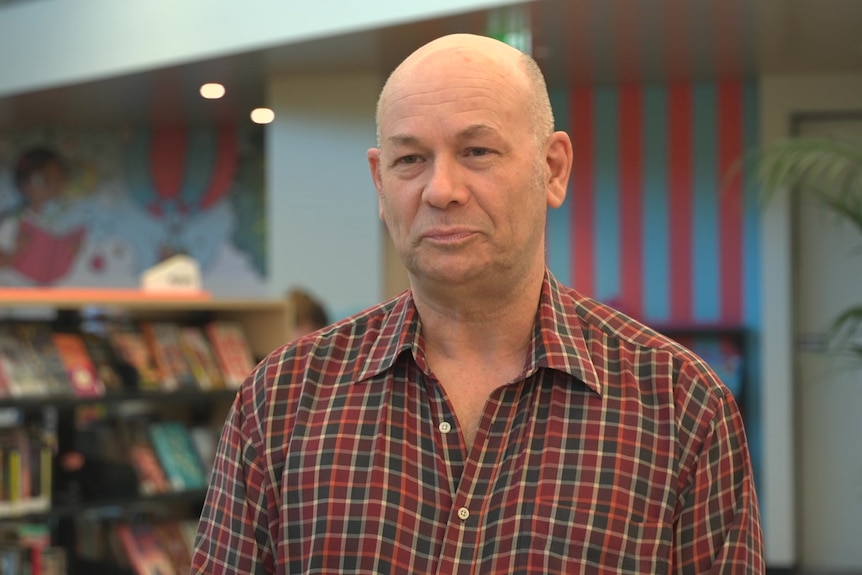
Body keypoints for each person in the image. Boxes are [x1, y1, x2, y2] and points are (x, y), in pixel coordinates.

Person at [191, 33, 764, 574]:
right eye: (410, 159)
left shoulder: (680, 406)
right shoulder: (282, 399)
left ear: (553, 168)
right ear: (379, 183)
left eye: (477, 150)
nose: (441, 190)